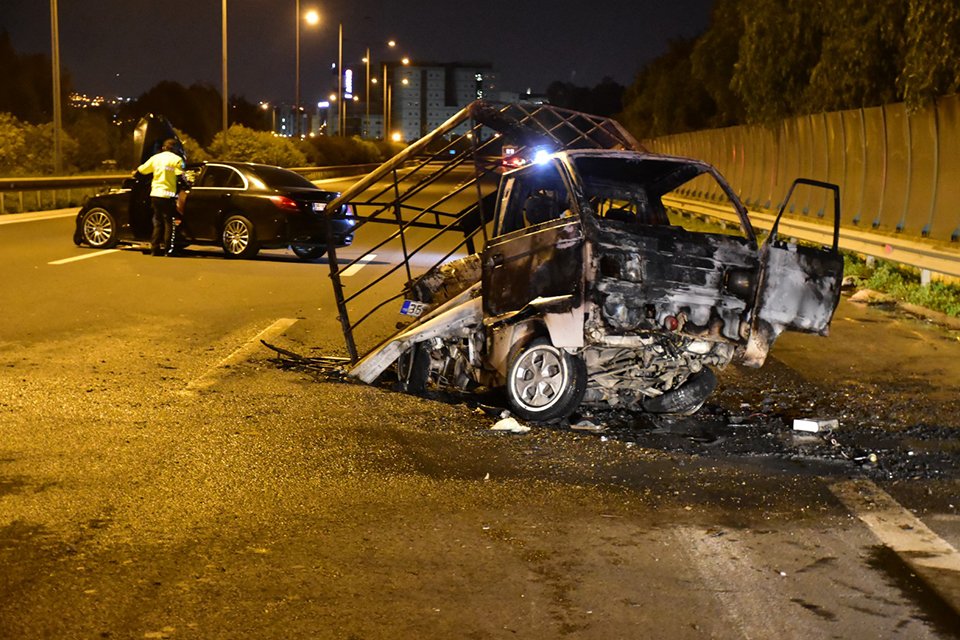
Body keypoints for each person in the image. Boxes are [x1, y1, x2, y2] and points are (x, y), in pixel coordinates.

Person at [136, 139, 185, 256]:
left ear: (164, 147)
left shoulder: (156, 158)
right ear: (175, 148)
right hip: (168, 195)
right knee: (168, 222)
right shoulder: (177, 160)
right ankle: (168, 249)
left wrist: (135, 172)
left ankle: (154, 248)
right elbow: (180, 178)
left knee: (157, 222)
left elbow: (142, 170)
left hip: (155, 194)